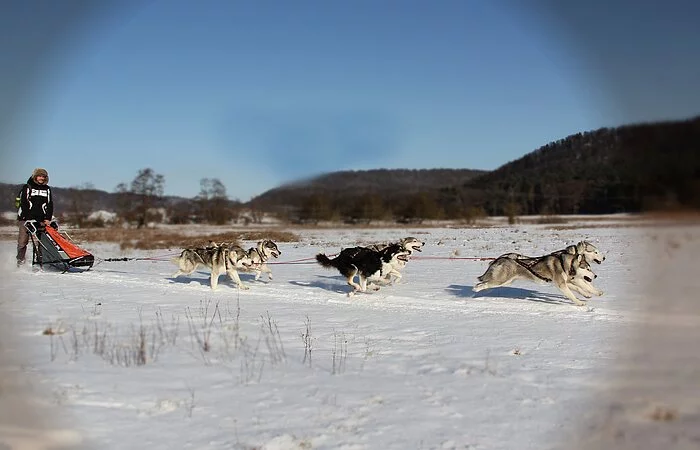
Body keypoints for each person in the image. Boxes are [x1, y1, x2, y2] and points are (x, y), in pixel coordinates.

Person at [16, 168, 54, 267]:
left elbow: (50, 204)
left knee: (41, 242)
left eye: (44, 176)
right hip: (25, 219)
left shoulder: (47, 189)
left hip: (41, 220)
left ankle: (40, 262)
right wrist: (29, 217)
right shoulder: (27, 187)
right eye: (40, 176)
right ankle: (20, 262)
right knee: (23, 241)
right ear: (35, 177)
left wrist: (48, 218)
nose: (41, 178)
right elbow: (24, 203)